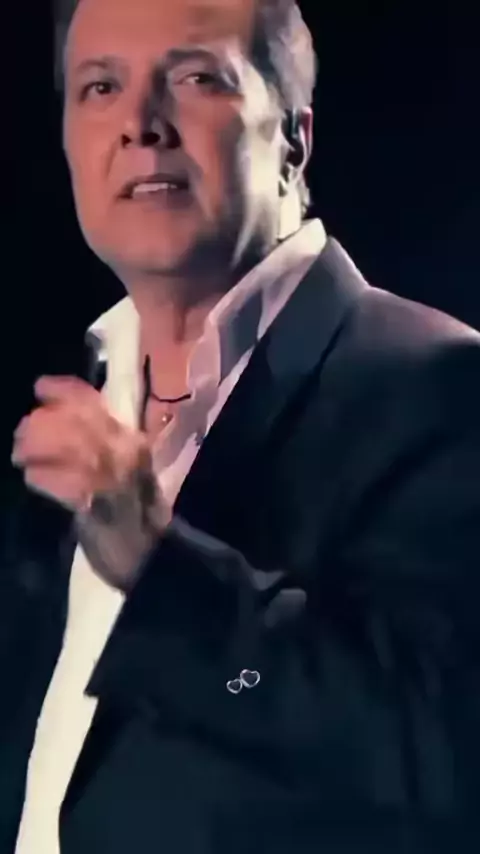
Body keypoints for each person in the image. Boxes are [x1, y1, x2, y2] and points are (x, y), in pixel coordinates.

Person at [1, 0, 480, 851]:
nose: (140, 125)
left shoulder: (441, 385)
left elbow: (441, 749)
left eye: (194, 77)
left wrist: (161, 571)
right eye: (100, 87)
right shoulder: (70, 405)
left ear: (294, 139)